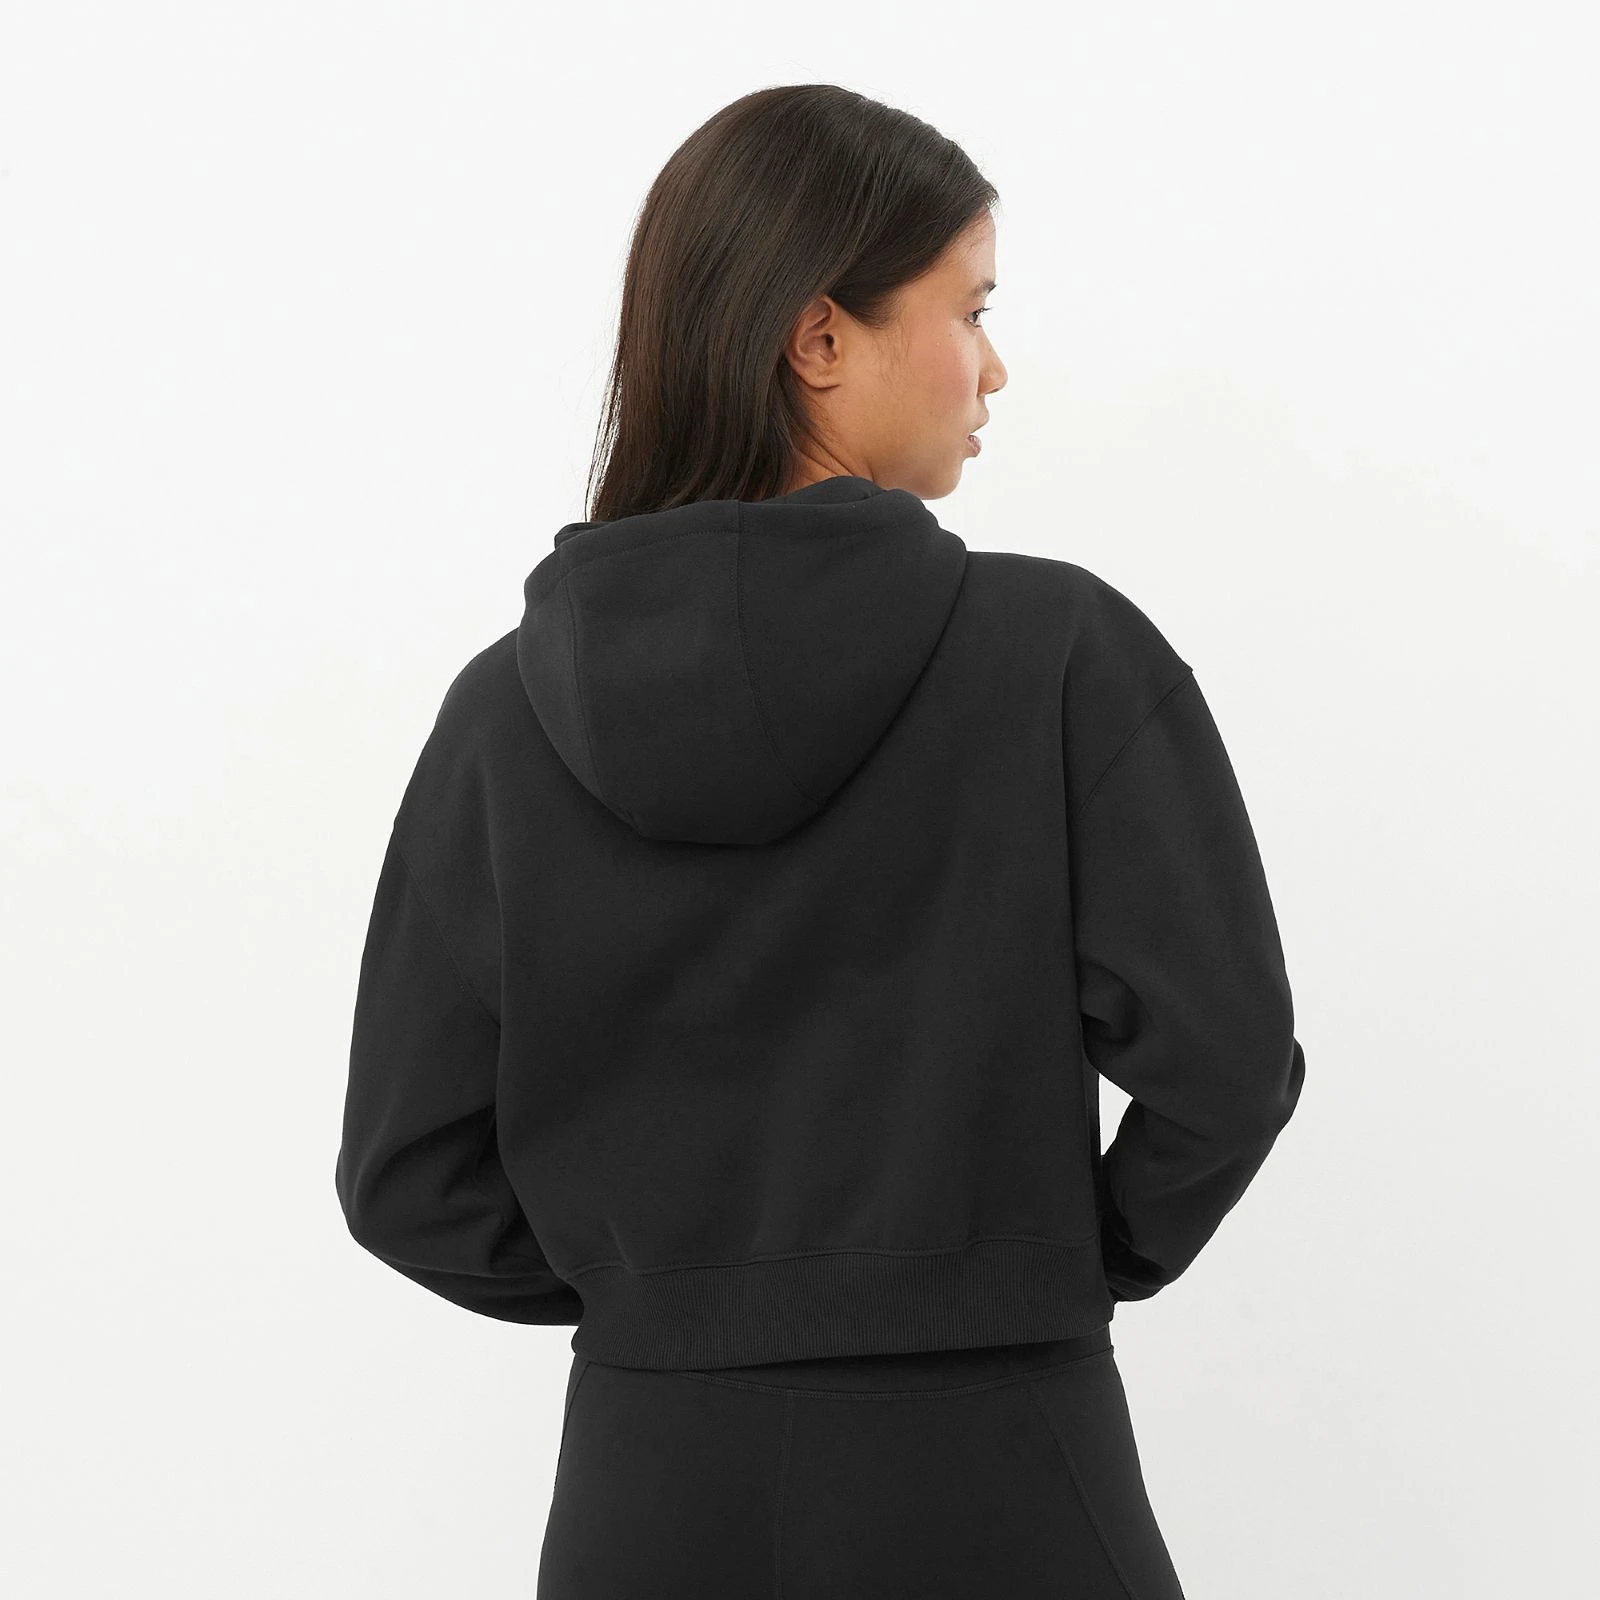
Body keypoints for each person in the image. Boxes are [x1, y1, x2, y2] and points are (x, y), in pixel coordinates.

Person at [334, 82, 1306, 1598]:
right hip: (1007, 1465)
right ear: (820, 338)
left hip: (650, 1499)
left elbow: (405, 1178)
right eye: (970, 309)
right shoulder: (1057, 656)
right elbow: (1228, 1062)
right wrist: (1034, 1269)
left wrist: (671, 1301)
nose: (995, 366)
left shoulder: (504, 715)